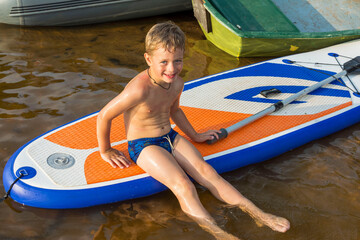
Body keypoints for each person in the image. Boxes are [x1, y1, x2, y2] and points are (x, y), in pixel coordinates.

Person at [97, 21, 290, 239]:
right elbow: (104, 115)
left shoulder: (177, 83)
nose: (171, 69)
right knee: (183, 185)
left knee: (207, 172)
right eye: (164, 62)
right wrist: (106, 150)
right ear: (148, 59)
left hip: (170, 136)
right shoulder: (139, 90)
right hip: (144, 145)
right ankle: (218, 233)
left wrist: (195, 135)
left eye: (177, 61)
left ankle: (258, 214)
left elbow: (175, 111)